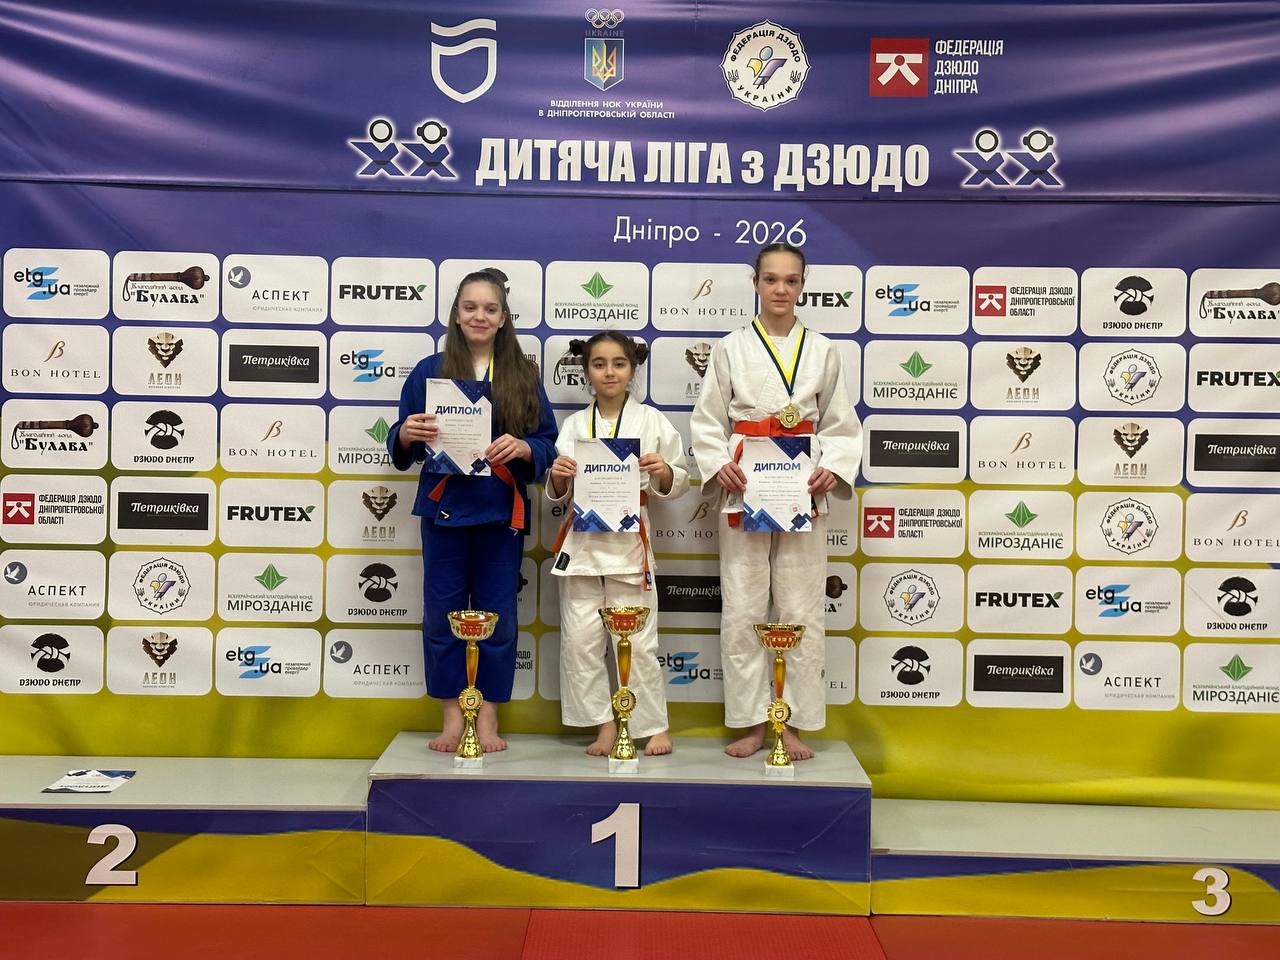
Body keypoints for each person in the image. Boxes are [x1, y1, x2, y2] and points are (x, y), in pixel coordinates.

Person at [690, 243, 862, 761]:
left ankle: (792, 723)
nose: (781, 289)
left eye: (791, 280)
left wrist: (834, 466)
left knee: (800, 607)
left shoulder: (823, 350)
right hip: (747, 485)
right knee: (743, 606)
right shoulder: (730, 348)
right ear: (756, 284)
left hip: (800, 488)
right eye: (771, 279)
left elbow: (840, 423)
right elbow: (708, 420)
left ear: (803, 286)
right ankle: (749, 722)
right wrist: (717, 462)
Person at [389, 269, 557, 753]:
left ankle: (487, 718)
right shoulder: (430, 370)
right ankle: (450, 717)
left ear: (503, 318)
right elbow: (401, 438)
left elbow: (547, 442)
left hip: (501, 513)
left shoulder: (522, 375)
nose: (479, 316)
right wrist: (407, 433)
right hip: (444, 510)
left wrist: (523, 447)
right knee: (442, 615)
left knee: (498, 617)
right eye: (470, 307)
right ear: (457, 314)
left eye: (490, 308)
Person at [546, 332, 689, 757]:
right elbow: (557, 492)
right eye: (599, 364)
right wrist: (559, 477)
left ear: (632, 369)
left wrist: (663, 470)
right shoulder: (575, 425)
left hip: (629, 544)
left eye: (619, 364)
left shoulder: (652, 421)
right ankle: (604, 724)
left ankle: (653, 726)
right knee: (580, 642)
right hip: (583, 544)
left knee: (639, 642)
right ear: (586, 371)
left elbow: (678, 479)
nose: (609, 372)